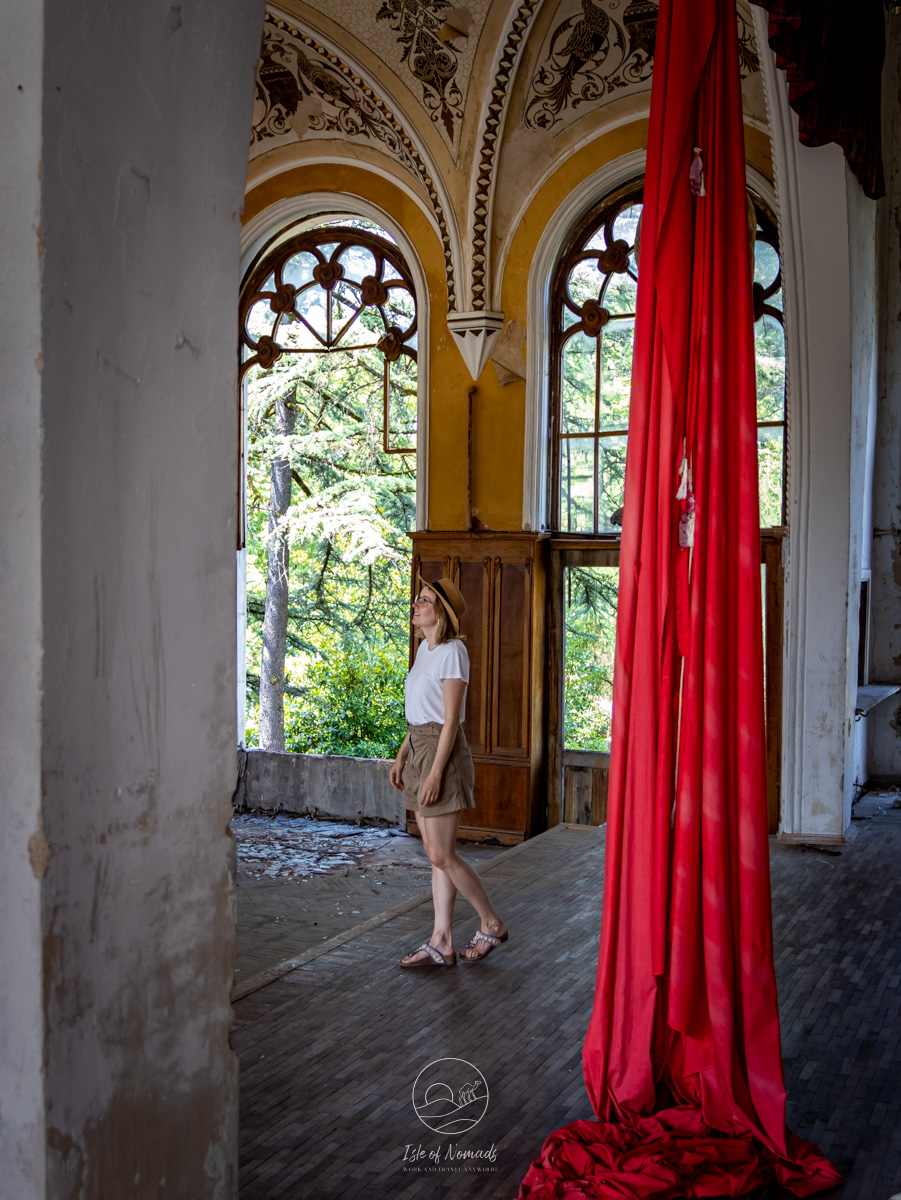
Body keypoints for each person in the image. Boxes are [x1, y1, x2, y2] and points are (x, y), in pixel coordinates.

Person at [390, 576, 508, 968]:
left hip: (443, 752)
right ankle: (441, 940)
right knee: (434, 854)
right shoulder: (425, 648)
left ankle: (491, 922)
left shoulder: (453, 652)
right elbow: (421, 714)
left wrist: (436, 772)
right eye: (417, 599)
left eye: (424, 601)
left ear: (440, 614)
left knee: (442, 853)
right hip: (421, 747)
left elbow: (450, 719)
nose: (415, 604)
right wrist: (403, 755)